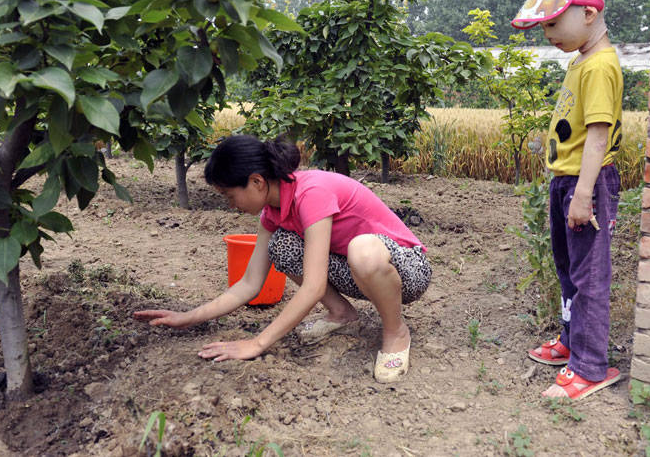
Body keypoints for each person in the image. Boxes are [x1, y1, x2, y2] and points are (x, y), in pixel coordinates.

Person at [132, 134, 431, 383]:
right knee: (283, 245)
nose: (231, 205)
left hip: (406, 270)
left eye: (229, 195)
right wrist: (189, 317)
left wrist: (258, 343)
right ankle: (341, 314)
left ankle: (395, 331)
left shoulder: (311, 192)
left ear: (257, 182)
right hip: (358, 271)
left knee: (362, 250)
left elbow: (313, 286)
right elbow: (250, 283)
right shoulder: (273, 212)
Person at [511, 0, 624, 399]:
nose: (549, 33)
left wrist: (582, 195)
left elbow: (598, 135)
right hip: (568, 182)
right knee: (568, 268)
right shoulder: (582, 61)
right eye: (544, 26)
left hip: (585, 184)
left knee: (589, 275)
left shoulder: (599, 66)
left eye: (555, 23)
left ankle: (592, 366)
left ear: (589, 13)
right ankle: (571, 342)